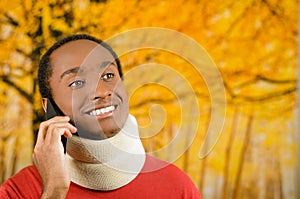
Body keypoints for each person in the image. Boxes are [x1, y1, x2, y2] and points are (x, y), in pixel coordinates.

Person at [0, 34, 201, 198]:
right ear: (49, 106)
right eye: (77, 83)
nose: (102, 91)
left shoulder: (178, 187)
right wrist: (54, 191)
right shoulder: (18, 192)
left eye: (108, 76)